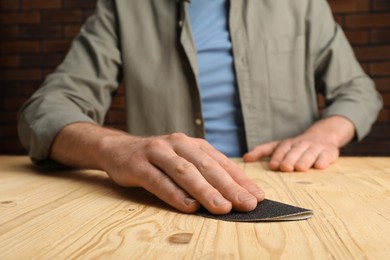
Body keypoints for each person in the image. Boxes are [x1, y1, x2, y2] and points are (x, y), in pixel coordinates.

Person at [18, 0, 382, 215]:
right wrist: (117, 149)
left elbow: (358, 90)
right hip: (167, 205)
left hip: (295, 189)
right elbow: (45, 111)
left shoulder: (303, 4)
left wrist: (325, 134)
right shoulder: (122, 8)